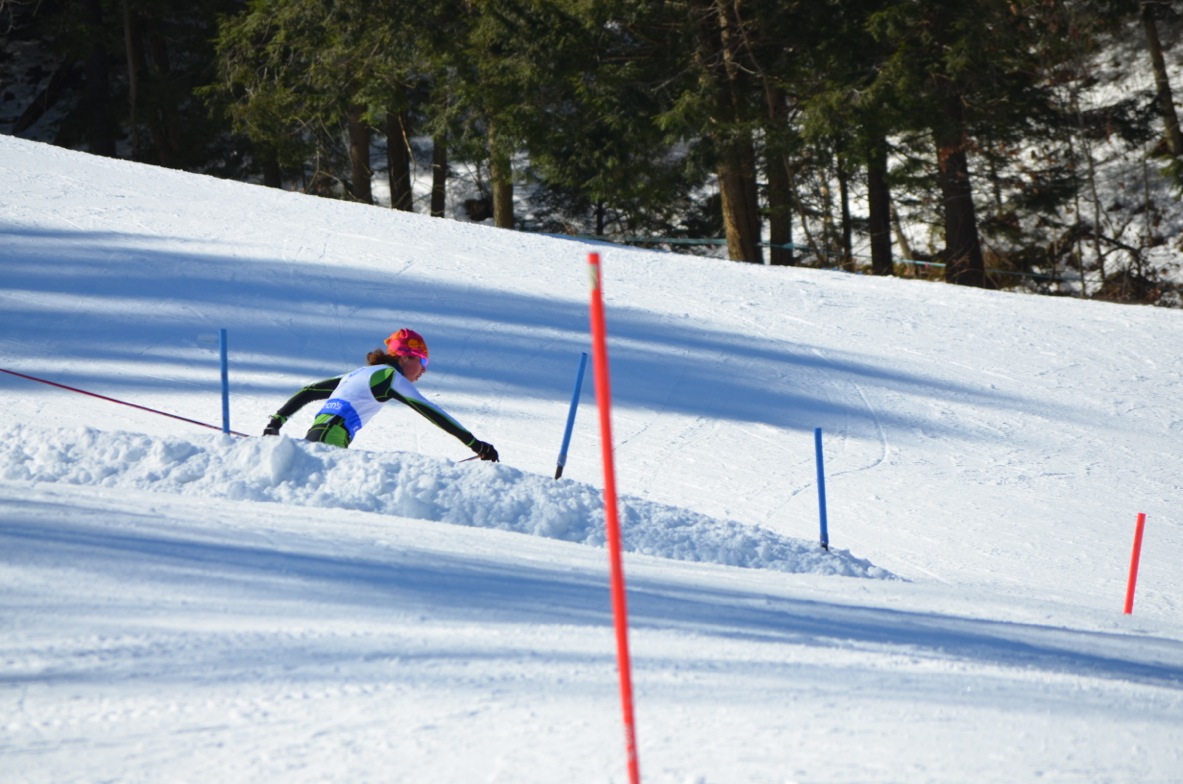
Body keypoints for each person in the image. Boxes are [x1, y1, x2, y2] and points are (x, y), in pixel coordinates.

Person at [262, 328, 499, 461]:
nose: (424, 369)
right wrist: (475, 444)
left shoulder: (360, 373)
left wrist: (276, 422)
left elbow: (309, 391)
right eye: (423, 360)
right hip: (332, 435)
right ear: (404, 356)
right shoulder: (388, 377)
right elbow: (429, 410)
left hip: (321, 432)